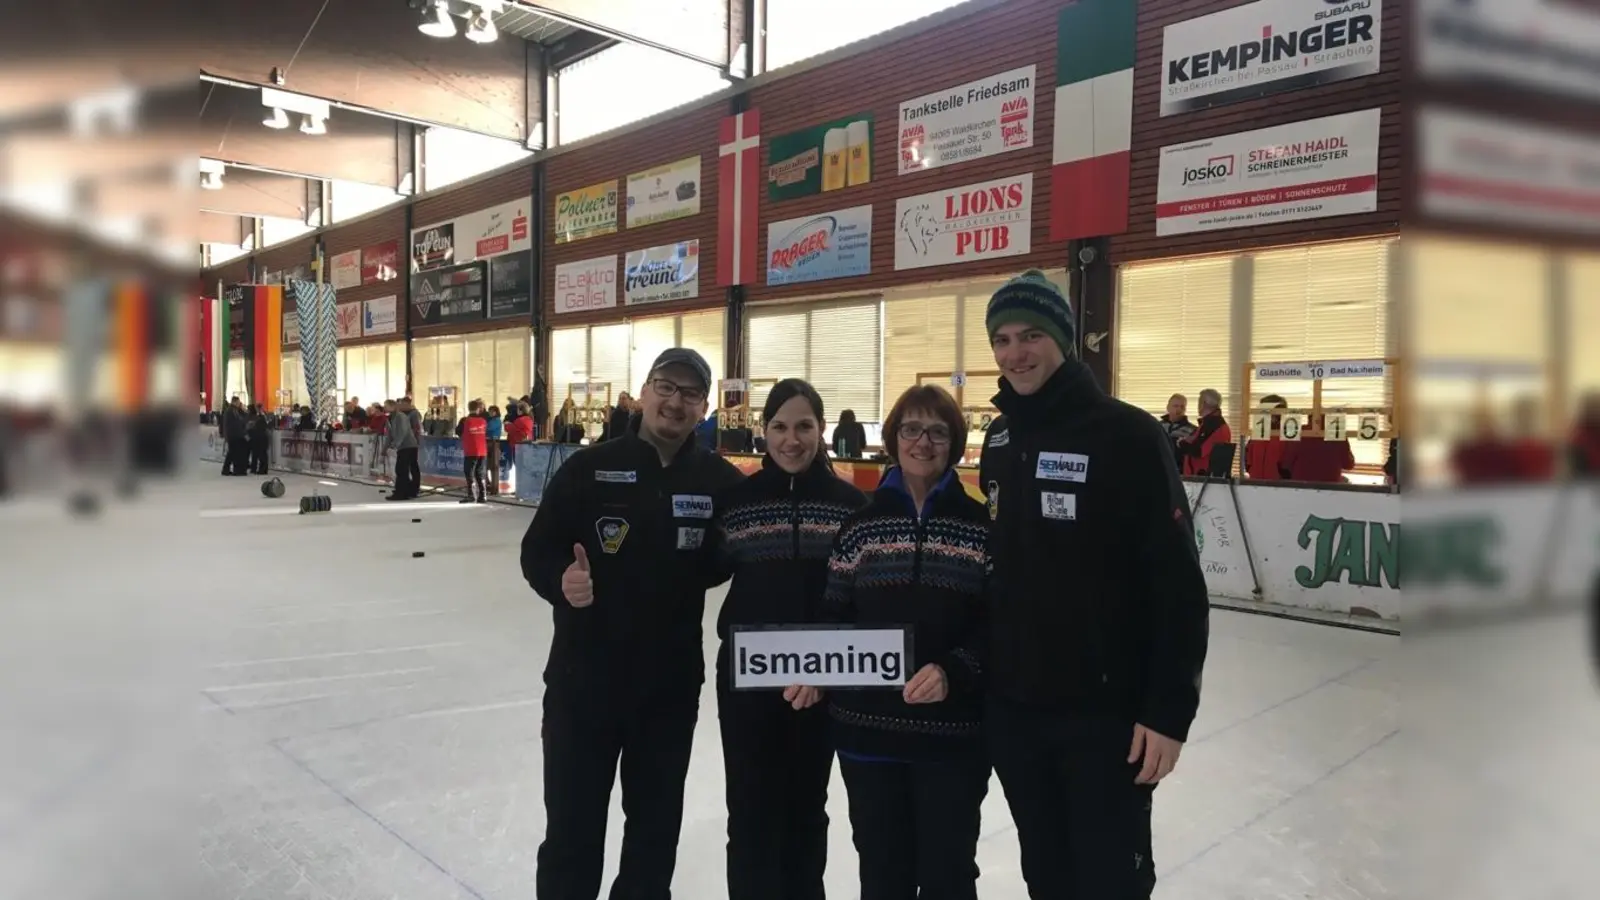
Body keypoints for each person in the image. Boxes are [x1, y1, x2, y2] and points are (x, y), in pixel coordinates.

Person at [977, 269, 1210, 898]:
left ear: (1063, 339)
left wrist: (1168, 711)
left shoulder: (1129, 435)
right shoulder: (999, 438)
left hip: (1105, 719)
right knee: (1047, 875)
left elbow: (1177, 586)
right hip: (1019, 713)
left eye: (1029, 336)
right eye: (1001, 339)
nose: (1014, 353)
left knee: (1109, 879)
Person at [519, 347, 744, 900]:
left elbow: (732, 557)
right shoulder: (589, 468)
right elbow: (537, 551)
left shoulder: (720, 482)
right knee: (572, 835)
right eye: (666, 387)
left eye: (690, 393)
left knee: (653, 834)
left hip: (666, 693)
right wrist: (561, 582)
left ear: (704, 407)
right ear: (643, 392)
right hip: (582, 686)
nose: (675, 401)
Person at [823, 383, 991, 900]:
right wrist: (815, 667)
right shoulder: (859, 527)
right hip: (867, 738)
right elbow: (833, 616)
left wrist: (954, 672)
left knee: (948, 876)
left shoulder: (982, 529)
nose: (924, 441)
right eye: (912, 429)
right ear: (894, 438)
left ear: (955, 443)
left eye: (938, 431)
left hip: (952, 740)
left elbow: (1001, 625)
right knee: (883, 874)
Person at [712, 379, 868, 900]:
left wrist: (828, 668)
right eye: (779, 426)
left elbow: (858, 599)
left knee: (806, 809)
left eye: (804, 426)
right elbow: (688, 571)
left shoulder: (851, 506)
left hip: (820, 684)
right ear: (764, 430)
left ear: (821, 430)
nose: (791, 439)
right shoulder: (737, 502)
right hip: (748, 683)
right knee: (751, 810)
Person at [1177, 388, 1231, 476]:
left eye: (1199, 401)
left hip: (1204, 480)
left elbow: (1199, 451)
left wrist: (1182, 444)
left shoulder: (1214, 425)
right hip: (1200, 479)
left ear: (1204, 403)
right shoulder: (1208, 423)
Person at [385, 396, 422, 501]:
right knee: (402, 469)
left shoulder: (401, 417)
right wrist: (385, 448)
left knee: (402, 469)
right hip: (404, 445)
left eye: (386, 406)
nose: (384, 408)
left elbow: (403, 431)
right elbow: (390, 435)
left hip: (408, 445)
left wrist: (396, 444)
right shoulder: (390, 418)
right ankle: (405, 490)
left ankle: (403, 492)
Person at [457, 400, 490, 503]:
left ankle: (471, 495)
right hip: (482, 450)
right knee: (480, 473)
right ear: (478, 409)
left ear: (468, 408)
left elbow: (458, 431)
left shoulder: (465, 420)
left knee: (469, 472)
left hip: (471, 450)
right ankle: (483, 495)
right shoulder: (483, 421)